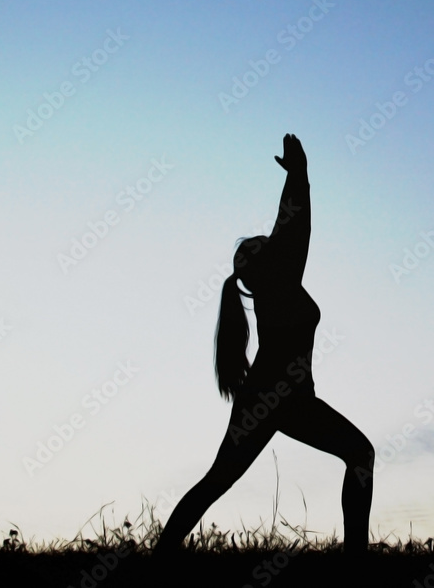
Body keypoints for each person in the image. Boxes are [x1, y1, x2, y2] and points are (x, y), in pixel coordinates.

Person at [154, 134, 375, 556]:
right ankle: (355, 563)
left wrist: (299, 178)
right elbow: (293, 229)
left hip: (271, 397)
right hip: (283, 398)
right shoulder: (278, 282)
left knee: (218, 480)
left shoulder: (279, 288)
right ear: (259, 269)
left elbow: (290, 234)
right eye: (261, 246)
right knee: (360, 453)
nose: (268, 241)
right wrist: (298, 177)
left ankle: (159, 558)